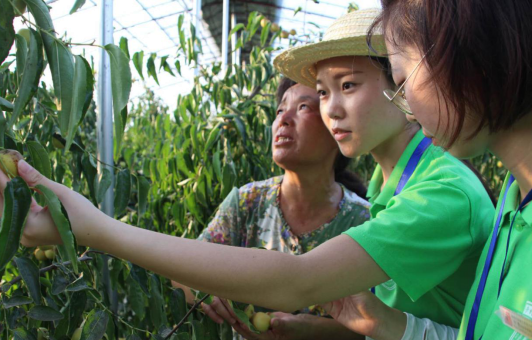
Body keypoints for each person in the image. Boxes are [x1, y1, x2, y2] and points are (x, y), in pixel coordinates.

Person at [5, 9, 492, 339]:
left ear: (401, 84)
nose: (332, 109)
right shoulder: (395, 185)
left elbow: (298, 279)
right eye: (322, 92)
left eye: (348, 85)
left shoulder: (440, 193)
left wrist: (93, 228)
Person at [344, 1, 531, 339]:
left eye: (401, 83)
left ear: (460, 44)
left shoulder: (447, 190)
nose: (408, 110)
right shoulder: (512, 201)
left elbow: (299, 279)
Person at [174, 78, 370, 340]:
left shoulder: (364, 221)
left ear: (336, 125)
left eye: (303, 107)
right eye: (280, 110)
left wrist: (311, 330)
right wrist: (203, 292)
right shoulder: (248, 202)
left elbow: (383, 321)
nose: (283, 119)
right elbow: (183, 273)